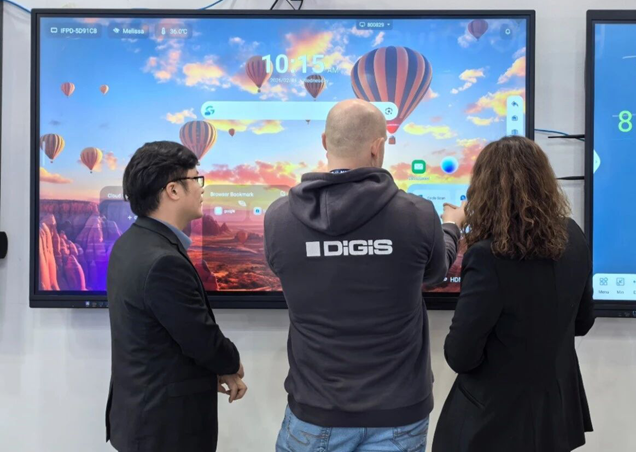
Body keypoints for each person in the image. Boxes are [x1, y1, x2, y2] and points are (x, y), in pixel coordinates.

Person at [264, 99, 462, 452]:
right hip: (399, 410)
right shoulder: (418, 214)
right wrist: (451, 227)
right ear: (377, 146)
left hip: (316, 409)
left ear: (325, 141)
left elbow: (285, 270)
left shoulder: (279, 217)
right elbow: (435, 274)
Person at [432, 136, 595, 452]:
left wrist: (454, 226)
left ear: (484, 190)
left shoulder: (487, 256)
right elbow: (583, 322)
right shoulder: (573, 235)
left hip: (494, 423)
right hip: (555, 418)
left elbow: (460, 355)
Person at [106, 141, 246, 452]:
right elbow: (200, 338)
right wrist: (231, 363)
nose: (201, 188)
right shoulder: (163, 261)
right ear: (173, 190)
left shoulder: (130, 242)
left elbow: (161, 339)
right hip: (165, 431)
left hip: (140, 418)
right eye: (196, 179)